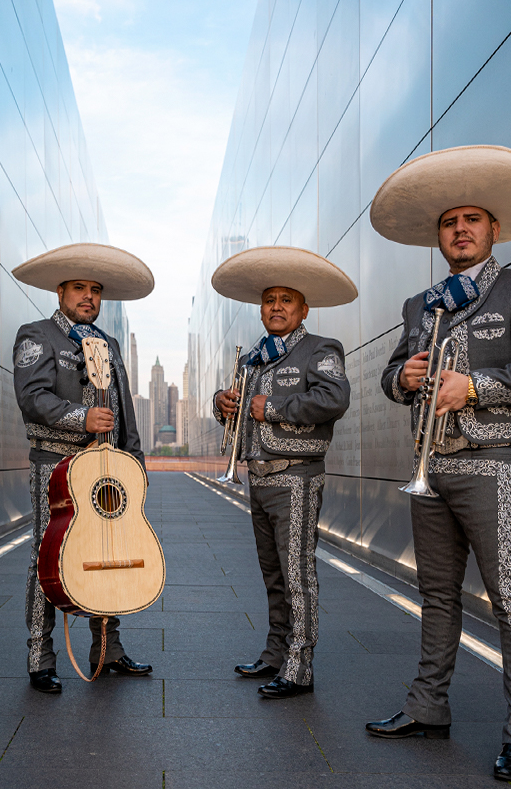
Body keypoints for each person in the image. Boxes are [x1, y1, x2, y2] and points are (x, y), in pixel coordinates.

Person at [366, 146, 511, 782]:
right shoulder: (419, 305)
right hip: (428, 470)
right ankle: (428, 707)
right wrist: (401, 376)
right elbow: (389, 379)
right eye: (450, 222)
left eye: (473, 220)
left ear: (494, 231)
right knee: (435, 594)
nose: (460, 229)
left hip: (492, 465)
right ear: (439, 236)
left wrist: (475, 387)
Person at [211, 246, 356, 699]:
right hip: (259, 477)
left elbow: (334, 400)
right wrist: (223, 405)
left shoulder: (321, 349)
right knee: (272, 573)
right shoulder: (254, 358)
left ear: (303, 309)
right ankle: (275, 653)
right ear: (260, 310)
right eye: (269, 300)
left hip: (297, 475)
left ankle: (300, 665)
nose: (276, 306)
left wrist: (269, 407)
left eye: (286, 300)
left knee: (297, 574)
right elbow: (243, 416)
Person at [11, 243, 155, 693]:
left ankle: (108, 650)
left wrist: (136, 466)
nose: (88, 297)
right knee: (47, 556)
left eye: (95, 290)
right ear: (60, 292)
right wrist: (80, 417)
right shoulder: (35, 335)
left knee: (107, 551)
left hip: (107, 468)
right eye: (79, 288)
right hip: (55, 466)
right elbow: (32, 398)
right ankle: (40, 657)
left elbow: (124, 409)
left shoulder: (109, 344)